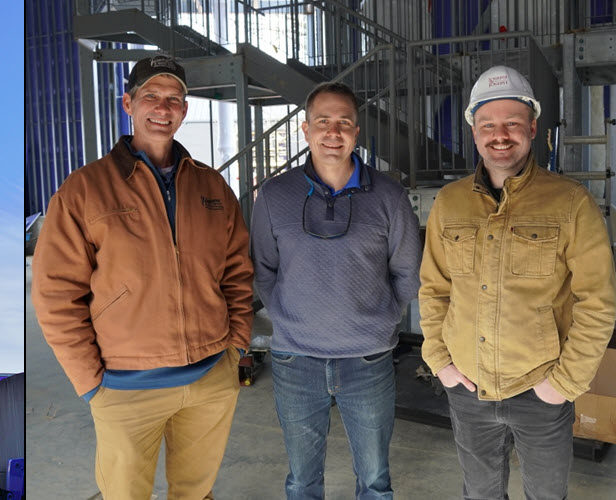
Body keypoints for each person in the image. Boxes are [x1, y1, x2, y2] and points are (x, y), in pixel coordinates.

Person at [30, 55, 253, 500]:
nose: (163, 108)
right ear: (128, 103)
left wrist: (236, 346)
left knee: (196, 493)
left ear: (185, 110)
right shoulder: (85, 189)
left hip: (210, 377)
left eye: (174, 99)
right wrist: (90, 380)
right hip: (125, 387)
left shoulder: (211, 187)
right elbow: (55, 293)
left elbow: (237, 273)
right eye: (151, 96)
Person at [420, 65, 615, 500]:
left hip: (540, 390)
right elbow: (434, 289)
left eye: (511, 123)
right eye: (488, 124)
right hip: (468, 390)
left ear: (532, 126)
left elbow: (597, 303)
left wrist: (562, 384)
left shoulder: (570, 203)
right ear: (474, 131)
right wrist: (441, 364)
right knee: (480, 495)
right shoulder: (449, 203)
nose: (500, 134)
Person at [251, 82, 420, 500]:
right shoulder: (274, 196)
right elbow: (264, 270)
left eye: (344, 122)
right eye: (323, 121)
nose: (333, 131)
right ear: (306, 130)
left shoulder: (390, 197)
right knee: (302, 481)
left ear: (356, 133)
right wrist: (292, 316)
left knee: (376, 481)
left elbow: (407, 273)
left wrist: (377, 319)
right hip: (295, 360)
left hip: (368, 358)